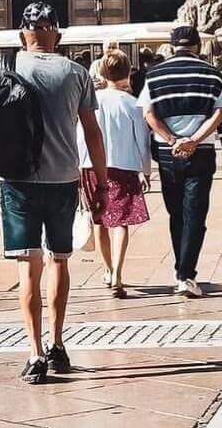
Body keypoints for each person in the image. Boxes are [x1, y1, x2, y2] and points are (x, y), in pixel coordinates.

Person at [0, 2, 108, 385]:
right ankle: (58, 344)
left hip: (17, 180)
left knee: (28, 266)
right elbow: (92, 132)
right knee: (59, 260)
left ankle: (35, 353)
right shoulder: (76, 73)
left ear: (22, 35)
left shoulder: (3, 67)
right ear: (56, 34)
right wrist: (103, 182)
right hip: (62, 180)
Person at [138, 24, 222, 299]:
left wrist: (172, 140)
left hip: (168, 154)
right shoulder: (213, 75)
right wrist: (194, 139)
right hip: (200, 152)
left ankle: (181, 269)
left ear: (171, 45)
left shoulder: (154, 75)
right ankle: (186, 275)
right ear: (197, 46)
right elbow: (220, 112)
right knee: (195, 214)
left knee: (176, 213)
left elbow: (148, 114)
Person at [78, 49, 151, 298]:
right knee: (121, 222)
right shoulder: (132, 103)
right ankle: (119, 272)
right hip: (124, 166)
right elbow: (142, 140)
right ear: (127, 72)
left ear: (102, 73)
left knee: (99, 220)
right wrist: (146, 169)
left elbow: (81, 137)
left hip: (91, 166)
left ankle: (108, 270)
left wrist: (78, 167)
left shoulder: (92, 102)